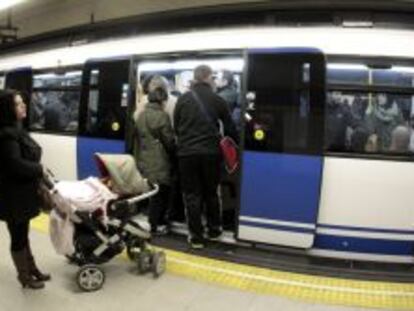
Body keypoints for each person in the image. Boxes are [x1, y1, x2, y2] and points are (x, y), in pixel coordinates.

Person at [174, 65, 238, 249]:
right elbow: (230, 129)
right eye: (213, 77)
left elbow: (177, 126)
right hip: (211, 153)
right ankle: (214, 230)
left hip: (186, 154)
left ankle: (196, 237)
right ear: (208, 78)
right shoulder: (218, 100)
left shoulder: (183, 99)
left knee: (192, 196)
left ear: (195, 78)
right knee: (211, 193)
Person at [0, 90, 51, 289]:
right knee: (18, 236)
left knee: (23, 233)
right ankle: (25, 277)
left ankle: (32, 269)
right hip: (13, 197)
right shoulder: (6, 136)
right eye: (18, 104)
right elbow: (15, 165)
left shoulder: (15, 128)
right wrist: (39, 168)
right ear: (8, 109)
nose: (24, 106)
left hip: (20, 194)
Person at [135, 76, 175, 235]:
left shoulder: (141, 116)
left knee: (152, 192)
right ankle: (154, 225)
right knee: (160, 194)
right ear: (162, 101)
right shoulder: (162, 116)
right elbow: (169, 141)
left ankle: (153, 222)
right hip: (159, 160)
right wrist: (174, 152)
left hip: (144, 158)